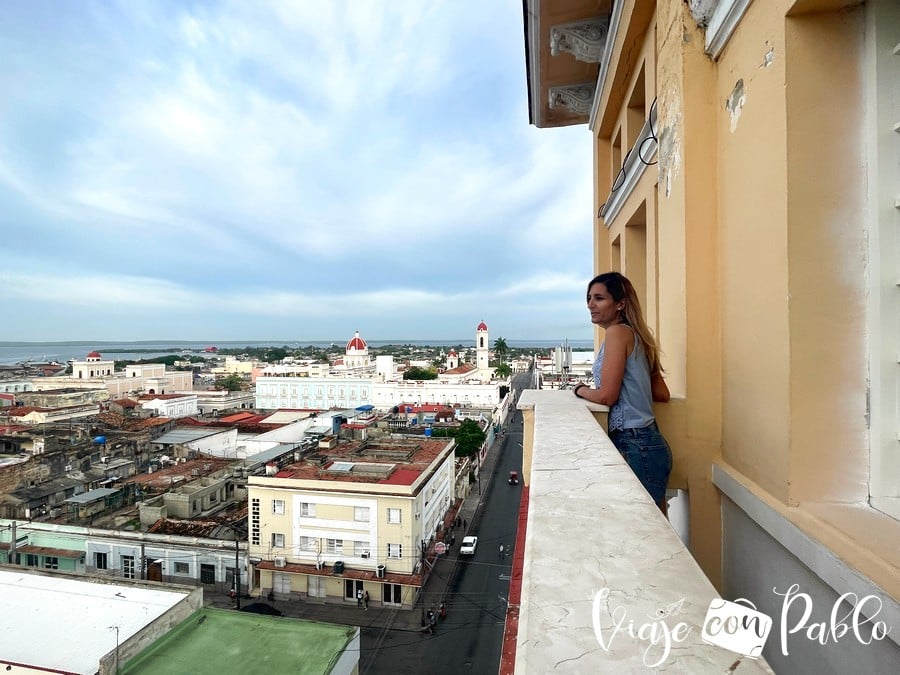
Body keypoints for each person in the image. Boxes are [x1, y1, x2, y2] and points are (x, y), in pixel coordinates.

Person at [573, 272, 673, 513]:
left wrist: (580, 389)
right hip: (650, 442)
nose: (590, 304)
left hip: (634, 443)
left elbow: (607, 396)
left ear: (620, 303)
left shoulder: (617, 333)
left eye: (599, 298)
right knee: (653, 526)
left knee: (643, 528)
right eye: (589, 298)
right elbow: (662, 394)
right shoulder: (638, 336)